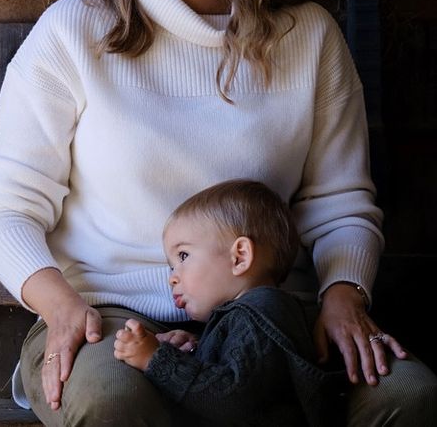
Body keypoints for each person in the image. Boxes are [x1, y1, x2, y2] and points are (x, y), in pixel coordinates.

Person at [0, 0, 437, 426]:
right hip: (111, 320)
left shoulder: (307, 39)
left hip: (266, 318)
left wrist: (343, 297)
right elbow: (7, 207)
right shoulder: (72, 34)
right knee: (113, 404)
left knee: (413, 403)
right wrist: (61, 307)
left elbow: (341, 205)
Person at [113, 179, 346, 426]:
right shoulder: (250, 315)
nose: (172, 277)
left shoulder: (258, 317)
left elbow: (231, 399)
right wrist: (194, 350)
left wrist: (156, 359)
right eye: (172, 265)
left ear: (240, 257)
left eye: (183, 256)